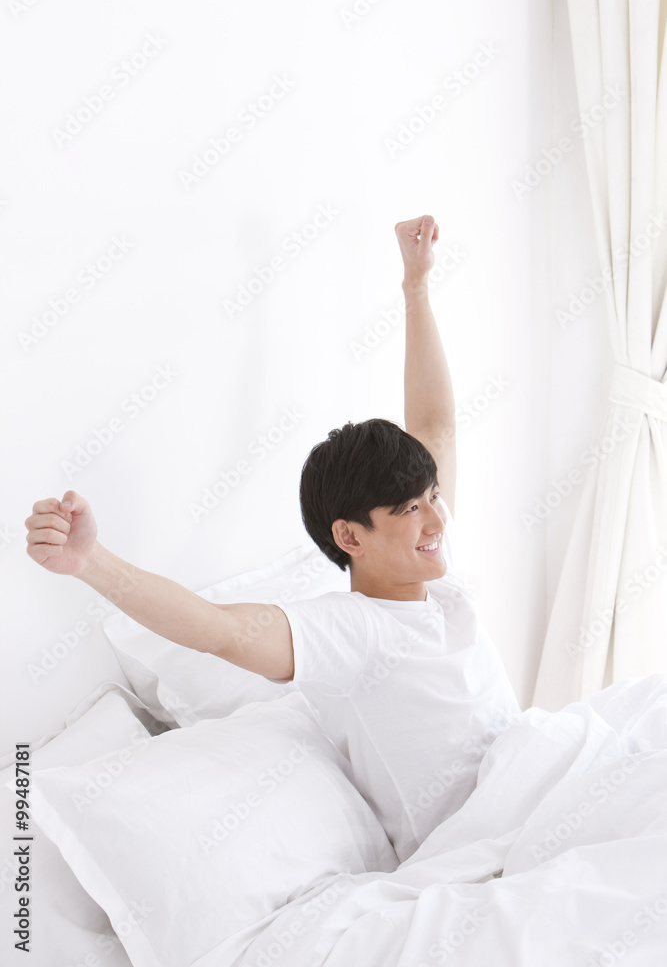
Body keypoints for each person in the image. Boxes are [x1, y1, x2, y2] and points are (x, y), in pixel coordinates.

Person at [25, 215, 520, 861]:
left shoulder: (433, 573)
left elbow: (436, 426)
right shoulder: (349, 631)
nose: (437, 518)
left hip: (534, 775)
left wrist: (415, 284)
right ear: (350, 536)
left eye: (432, 498)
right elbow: (218, 630)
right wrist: (90, 561)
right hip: (485, 842)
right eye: (411, 507)